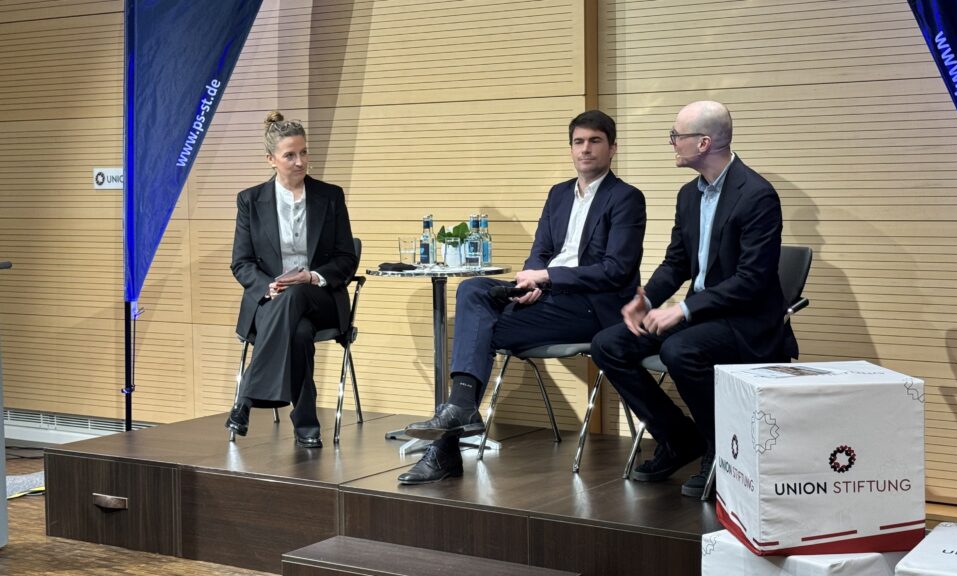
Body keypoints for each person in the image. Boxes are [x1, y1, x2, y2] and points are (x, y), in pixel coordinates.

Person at [397, 110, 647, 484]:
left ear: (613, 148)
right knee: (473, 288)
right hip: (548, 297)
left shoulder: (626, 198)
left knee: (480, 329)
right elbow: (539, 251)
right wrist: (531, 283)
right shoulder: (559, 194)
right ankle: (460, 412)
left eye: (595, 141)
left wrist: (545, 277)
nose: (586, 149)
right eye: (578, 142)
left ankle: (451, 432)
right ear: (571, 149)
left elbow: (615, 270)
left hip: (592, 307)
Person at [590, 101, 795, 497]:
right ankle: (680, 439)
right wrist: (646, 300)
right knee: (608, 344)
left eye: (676, 136)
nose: (672, 143)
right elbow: (677, 263)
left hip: (746, 321)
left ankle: (724, 450)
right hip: (701, 315)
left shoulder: (757, 196)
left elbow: (751, 281)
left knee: (681, 350)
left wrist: (682, 310)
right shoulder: (689, 195)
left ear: (703, 143)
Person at [226, 111, 358, 449]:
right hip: (272, 302)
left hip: (321, 300)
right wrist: (267, 286)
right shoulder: (250, 201)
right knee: (298, 331)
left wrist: (313, 276)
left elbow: (346, 258)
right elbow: (241, 263)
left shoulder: (330, 197)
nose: (300, 162)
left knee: (297, 294)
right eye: (290, 155)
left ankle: (245, 399)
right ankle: (306, 423)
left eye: (303, 152)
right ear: (271, 159)